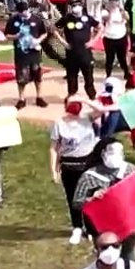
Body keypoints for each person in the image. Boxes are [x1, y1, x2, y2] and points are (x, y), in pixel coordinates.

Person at [50, 97, 109, 244]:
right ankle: (77, 227)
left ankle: (91, 227)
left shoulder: (87, 118)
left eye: (77, 103)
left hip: (87, 164)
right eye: (72, 102)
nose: (75, 105)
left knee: (91, 197)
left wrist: (83, 99)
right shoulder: (59, 123)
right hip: (69, 165)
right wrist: (54, 170)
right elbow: (54, 148)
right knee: (73, 198)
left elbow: (102, 110)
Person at [72, 138, 135, 261]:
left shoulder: (130, 170)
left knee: (129, 255)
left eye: (120, 152)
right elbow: (77, 203)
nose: (116, 156)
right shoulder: (89, 177)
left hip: (127, 224)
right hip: (101, 227)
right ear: (103, 153)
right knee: (107, 258)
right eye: (112, 152)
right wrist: (91, 199)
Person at [3, 0, 49, 110]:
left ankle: (39, 97)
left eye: (24, 11)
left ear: (28, 10)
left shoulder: (36, 19)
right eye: (20, 12)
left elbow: (44, 33)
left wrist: (38, 40)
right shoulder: (13, 20)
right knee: (21, 77)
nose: (23, 14)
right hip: (21, 54)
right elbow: (7, 35)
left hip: (35, 53)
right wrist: (17, 36)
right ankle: (21, 99)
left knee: (37, 76)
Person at [55, 0, 100, 99]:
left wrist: (93, 41)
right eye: (73, 5)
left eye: (77, 5)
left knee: (88, 75)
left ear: (81, 6)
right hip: (71, 52)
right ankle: (72, 94)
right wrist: (63, 42)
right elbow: (54, 29)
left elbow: (100, 27)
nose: (76, 7)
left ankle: (92, 95)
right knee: (71, 75)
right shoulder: (66, 18)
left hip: (85, 52)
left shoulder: (88, 18)